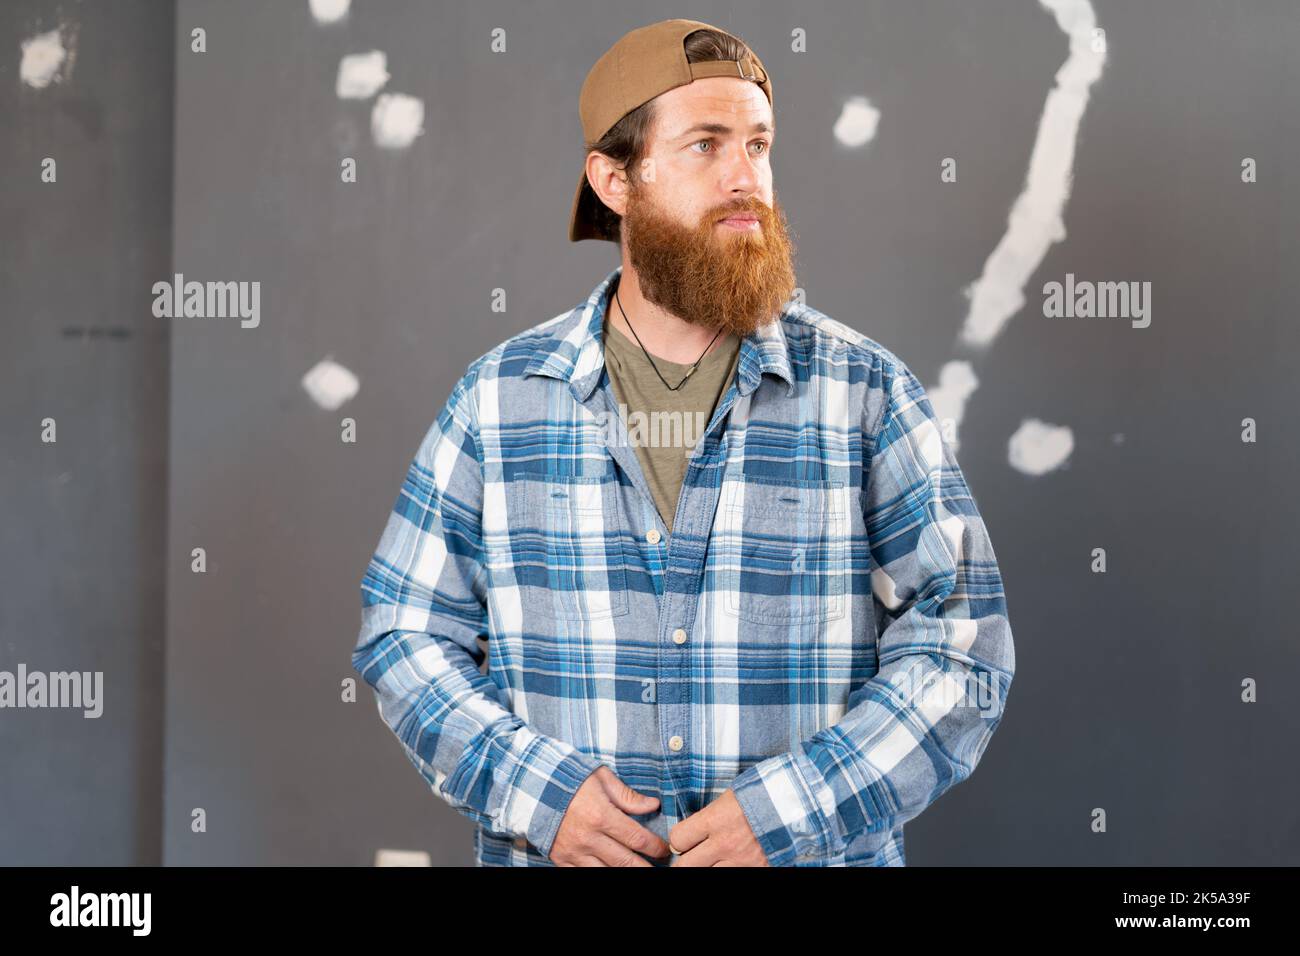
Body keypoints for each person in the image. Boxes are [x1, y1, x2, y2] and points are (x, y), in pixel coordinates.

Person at [353, 18, 1016, 867]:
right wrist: (539, 796)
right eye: (706, 145)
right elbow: (404, 632)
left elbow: (963, 644)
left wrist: (794, 808)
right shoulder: (500, 400)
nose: (747, 179)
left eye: (759, 143)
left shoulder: (864, 393)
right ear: (615, 178)